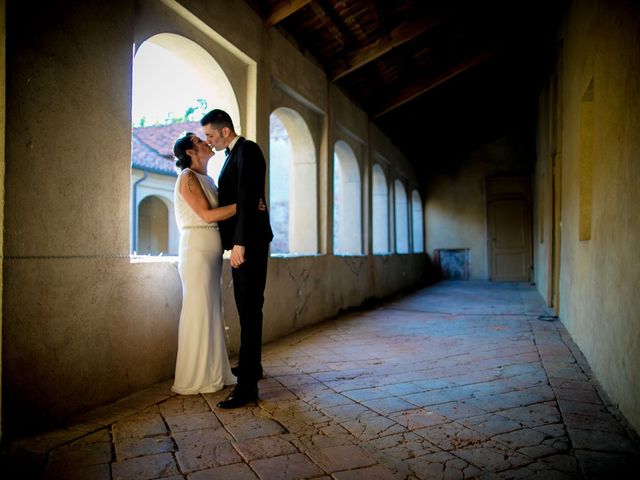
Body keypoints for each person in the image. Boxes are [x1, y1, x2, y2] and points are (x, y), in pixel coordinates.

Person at [201, 109, 273, 409]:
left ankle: (247, 389)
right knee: (247, 307)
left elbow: (247, 195)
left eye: (211, 136)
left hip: (250, 241)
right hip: (246, 240)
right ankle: (251, 368)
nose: (209, 141)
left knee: (249, 308)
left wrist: (240, 242)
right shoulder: (233, 154)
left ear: (225, 131)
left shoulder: (248, 150)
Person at [171, 132, 237, 395]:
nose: (206, 142)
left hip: (210, 252)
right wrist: (242, 205)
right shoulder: (187, 177)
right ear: (190, 152)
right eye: (199, 141)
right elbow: (207, 215)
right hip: (196, 251)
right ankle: (194, 377)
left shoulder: (208, 179)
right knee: (198, 310)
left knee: (211, 310)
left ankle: (214, 371)